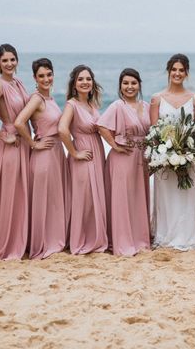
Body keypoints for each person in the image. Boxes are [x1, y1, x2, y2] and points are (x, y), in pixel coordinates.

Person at [15, 58, 70, 258]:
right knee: (43, 200)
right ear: (34, 78)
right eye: (41, 76)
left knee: (54, 199)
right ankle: (43, 243)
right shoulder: (37, 99)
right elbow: (19, 122)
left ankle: (54, 239)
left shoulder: (51, 99)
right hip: (44, 154)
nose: (46, 79)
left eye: (49, 74)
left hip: (56, 152)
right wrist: (33, 143)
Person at [150, 54, 195, 250]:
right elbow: (153, 132)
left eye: (181, 70)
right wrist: (165, 155)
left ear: (186, 73)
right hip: (163, 159)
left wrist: (185, 153)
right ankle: (164, 235)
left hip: (188, 158)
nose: (177, 73)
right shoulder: (157, 99)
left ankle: (187, 237)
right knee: (166, 198)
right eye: (174, 70)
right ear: (169, 71)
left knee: (187, 197)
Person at [0, 44, 29, 260]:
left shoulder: (17, 82)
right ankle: (6, 243)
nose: (9, 64)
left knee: (21, 194)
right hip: (11, 144)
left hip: (24, 142)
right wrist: (3, 136)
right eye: (5, 61)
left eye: (12, 59)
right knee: (10, 194)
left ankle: (22, 238)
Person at [98, 68, 151, 256]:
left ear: (139, 85)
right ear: (120, 86)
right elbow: (102, 126)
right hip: (123, 156)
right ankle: (123, 241)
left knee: (138, 196)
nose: (130, 87)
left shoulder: (146, 105)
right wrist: (115, 145)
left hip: (142, 157)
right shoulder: (117, 106)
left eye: (133, 83)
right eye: (126, 83)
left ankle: (140, 239)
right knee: (123, 198)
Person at [58, 65, 108, 255]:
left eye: (88, 79)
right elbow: (62, 129)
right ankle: (80, 239)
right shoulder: (72, 104)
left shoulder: (92, 105)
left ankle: (94, 236)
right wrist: (74, 152)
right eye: (81, 79)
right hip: (83, 154)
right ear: (74, 83)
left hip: (97, 152)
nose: (85, 82)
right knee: (83, 197)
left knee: (95, 196)